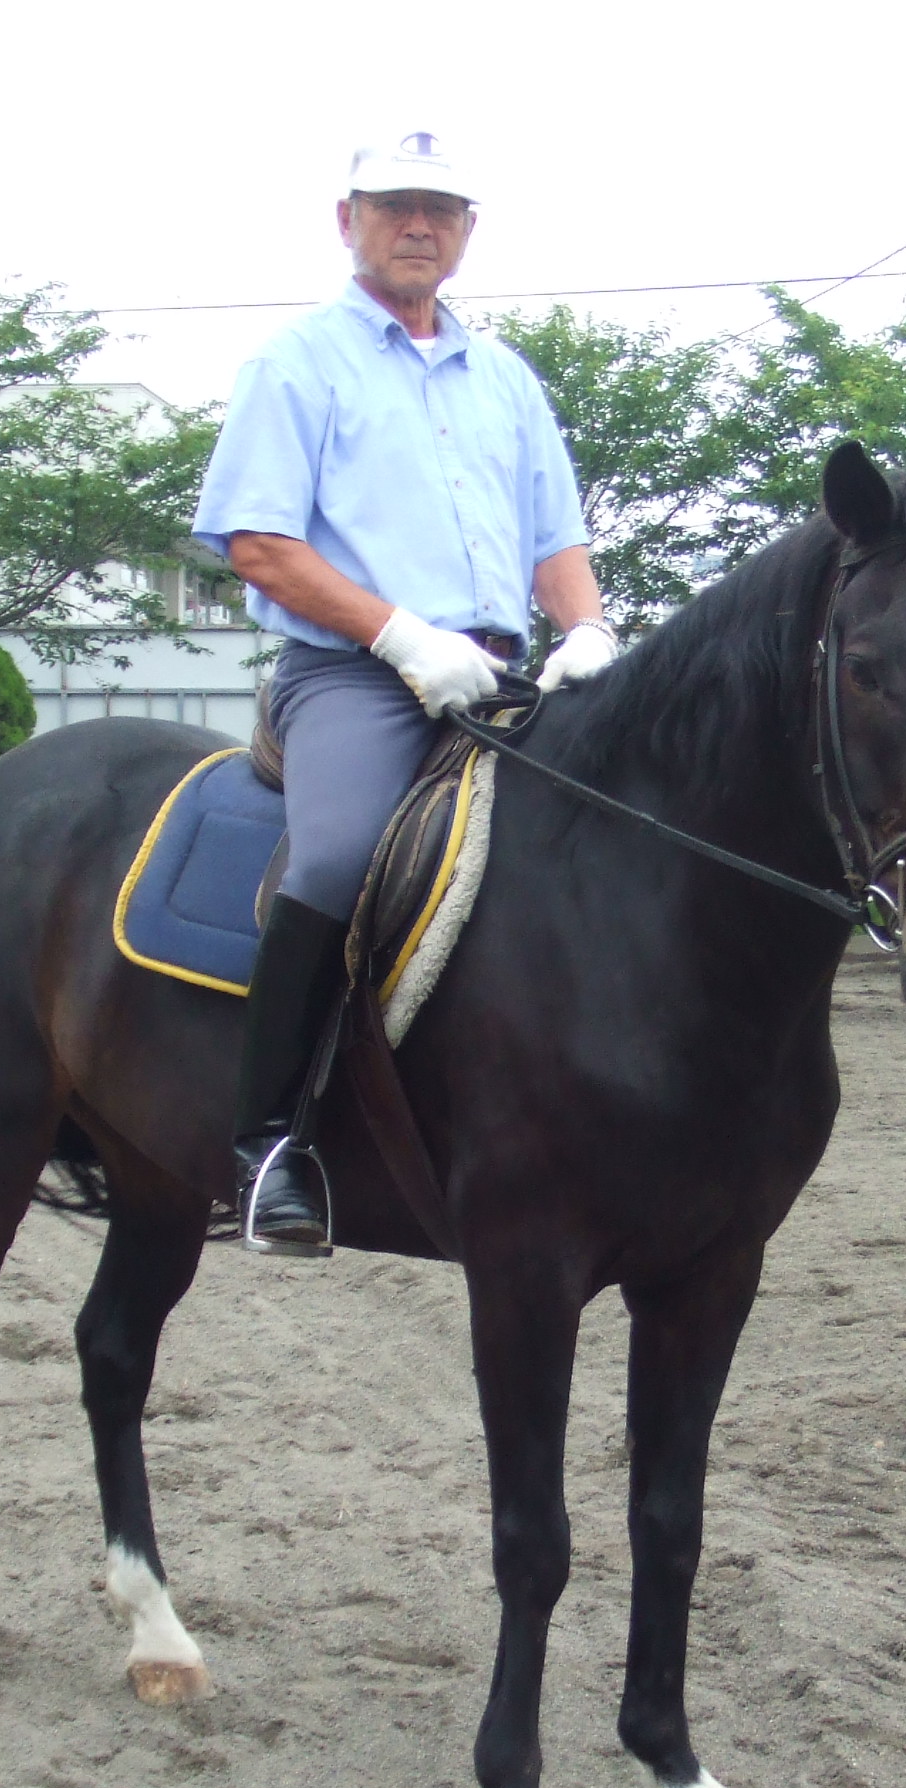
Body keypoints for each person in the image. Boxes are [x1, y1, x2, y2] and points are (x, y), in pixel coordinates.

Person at [191, 129, 619, 1257]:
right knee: (339, 859)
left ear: (468, 229)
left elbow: (557, 539)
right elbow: (260, 544)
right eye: (394, 207)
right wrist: (398, 633)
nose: (418, 226)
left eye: (441, 209)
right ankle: (267, 1145)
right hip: (355, 674)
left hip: (497, 672)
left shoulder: (508, 382)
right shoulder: (298, 364)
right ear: (349, 221)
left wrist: (588, 629)